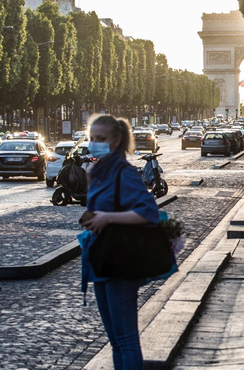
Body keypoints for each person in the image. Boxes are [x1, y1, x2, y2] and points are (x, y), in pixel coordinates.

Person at [80, 115, 159, 369]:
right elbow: (99, 210)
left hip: (121, 260)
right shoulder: (95, 171)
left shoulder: (124, 172)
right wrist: (93, 217)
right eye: (91, 139)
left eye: (100, 139)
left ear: (115, 141)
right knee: (114, 340)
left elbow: (149, 212)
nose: (94, 144)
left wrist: (106, 218)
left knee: (125, 339)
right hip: (101, 258)